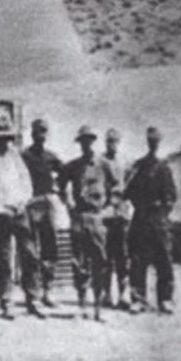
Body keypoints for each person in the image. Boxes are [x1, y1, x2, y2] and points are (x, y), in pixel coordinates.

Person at [0, 114, 43, 320]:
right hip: (2, 214)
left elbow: (26, 182)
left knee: (30, 255)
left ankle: (33, 298)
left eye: (8, 138)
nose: (5, 142)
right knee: (4, 259)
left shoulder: (16, 158)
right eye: (1, 138)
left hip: (20, 212)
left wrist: (23, 202)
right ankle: (6, 301)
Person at [61, 126, 117, 321]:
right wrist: (68, 205)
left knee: (100, 263)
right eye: (83, 141)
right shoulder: (73, 166)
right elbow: (60, 185)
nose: (86, 144)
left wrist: (109, 207)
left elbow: (117, 187)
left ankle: (98, 308)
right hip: (79, 218)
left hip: (97, 218)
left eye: (89, 140)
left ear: (93, 141)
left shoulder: (103, 165)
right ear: (80, 143)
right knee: (79, 263)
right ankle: (82, 305)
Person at [125, 126, 177, 315]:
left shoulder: (164, 167)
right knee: (138, 260)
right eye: (150, 141)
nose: (153, 144)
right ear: (147, 142)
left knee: (164, 261)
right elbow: (128, 191)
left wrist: (162, 213)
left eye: (156, 141)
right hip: (141, 218)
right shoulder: (138, 166)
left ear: (159, 143)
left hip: (159, 219)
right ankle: (138, 300)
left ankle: (165, 299)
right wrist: (140, 206)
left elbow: (171, 195)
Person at [21, 118, 64, 307]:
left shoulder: (51, 157)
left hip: (47, 204)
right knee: (29, 250)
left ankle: (48, 290)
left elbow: (64, 174)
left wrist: (58, 190)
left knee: (50, 248)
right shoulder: (24, 156)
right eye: (38, 132)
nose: (41, 135)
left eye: (44, 132)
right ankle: (31, 294)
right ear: (32, 133)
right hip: (30, 204)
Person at [101, 128, 132, 309]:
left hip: (121, 213)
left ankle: (123, 294)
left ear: (119, 143)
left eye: (115, 141)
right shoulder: (100, 161)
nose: (112, 144)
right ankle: (106, 294)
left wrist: (125, 205)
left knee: (122, 255)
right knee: (106, 255)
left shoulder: (125, 163)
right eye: (109, 141)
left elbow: (129, 185)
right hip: (106, 214)